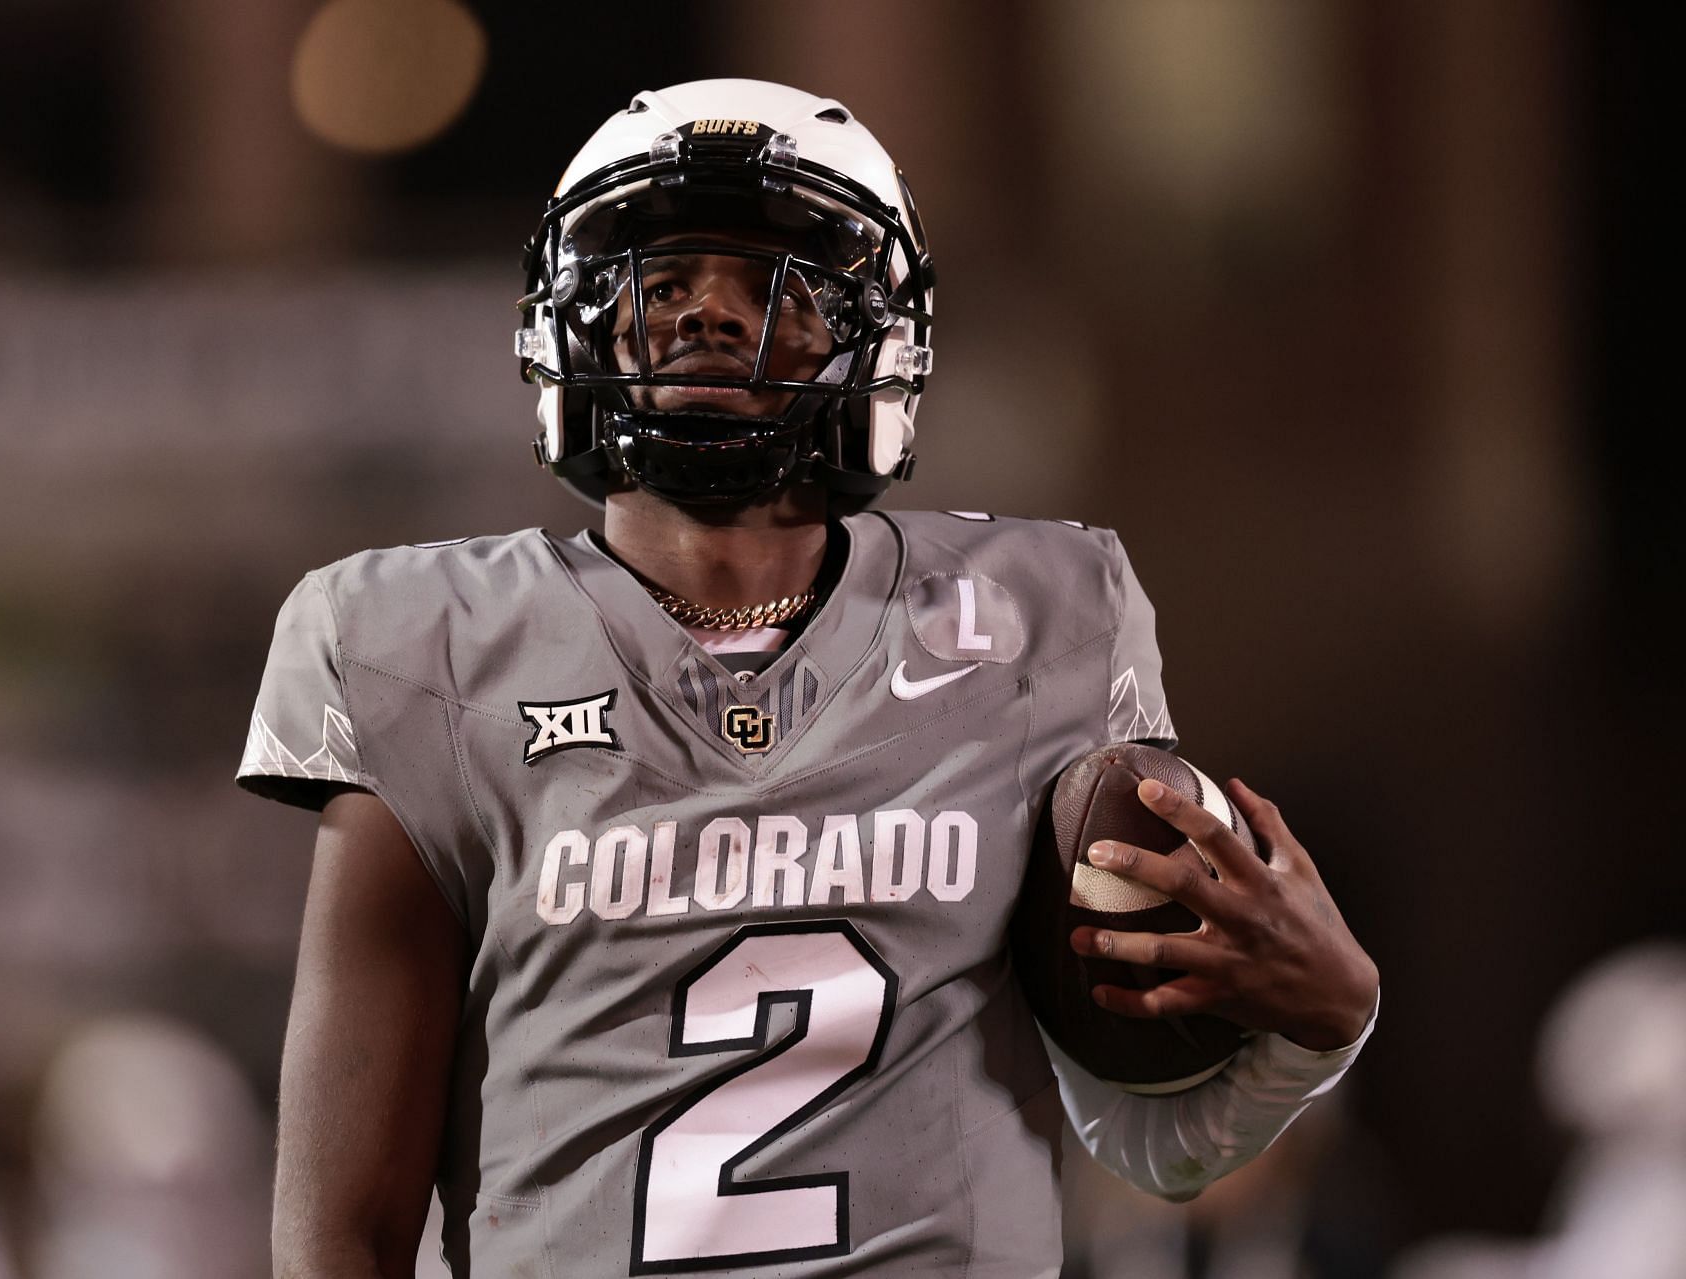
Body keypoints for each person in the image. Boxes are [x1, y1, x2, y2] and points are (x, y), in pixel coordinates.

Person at [238, 78, 1380, 1279]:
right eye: (665, 279)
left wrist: (1323, 1019)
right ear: (577, 322)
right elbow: (337, 1231)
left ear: (873, 337)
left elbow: (1156, 1151)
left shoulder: (1046, 618)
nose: (710, 316)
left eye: (773, 283)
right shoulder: (423, 643)